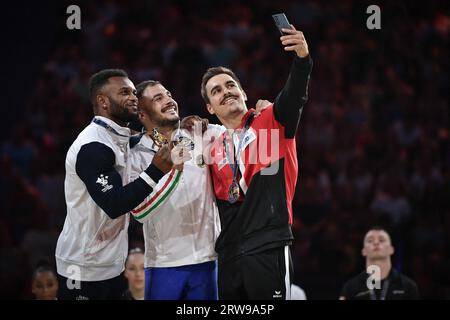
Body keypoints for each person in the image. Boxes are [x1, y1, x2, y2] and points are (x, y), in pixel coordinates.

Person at [200, 25, 313, 299]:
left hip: (268, 244)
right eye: (216, 91)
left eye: (230, 85)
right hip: (228, 254)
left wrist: (302, 59)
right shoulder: (208, 143)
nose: (226, 92)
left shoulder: (272, 120)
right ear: (210, 108)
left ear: (244, 93)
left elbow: (295, 94)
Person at [55, 69, 178, 300]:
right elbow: (113, 204)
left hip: (112, 263)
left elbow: (146, 136)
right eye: (124, 92)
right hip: (82, 267)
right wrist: (155, 171)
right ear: (103, 101)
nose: (133, 97)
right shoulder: (93, 145)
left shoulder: (118, 136)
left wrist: (184, 129)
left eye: (133, 92)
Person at [129, 80, 221, 300]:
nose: (169, 100)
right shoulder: (135, 154)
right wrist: (172, 170)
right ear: (142, 115)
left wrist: (257, 115)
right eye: (158, 98)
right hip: (164, 264)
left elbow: (242, 136)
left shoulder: (197, 134)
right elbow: (140, 212)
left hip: (208, 260)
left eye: (168, 94)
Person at [339, 227, 420, 300]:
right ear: (363, 251)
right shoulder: (351, 287)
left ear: (391, 249)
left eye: (381, 240)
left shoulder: (408, 286)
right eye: (370, 241)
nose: (376, 243)